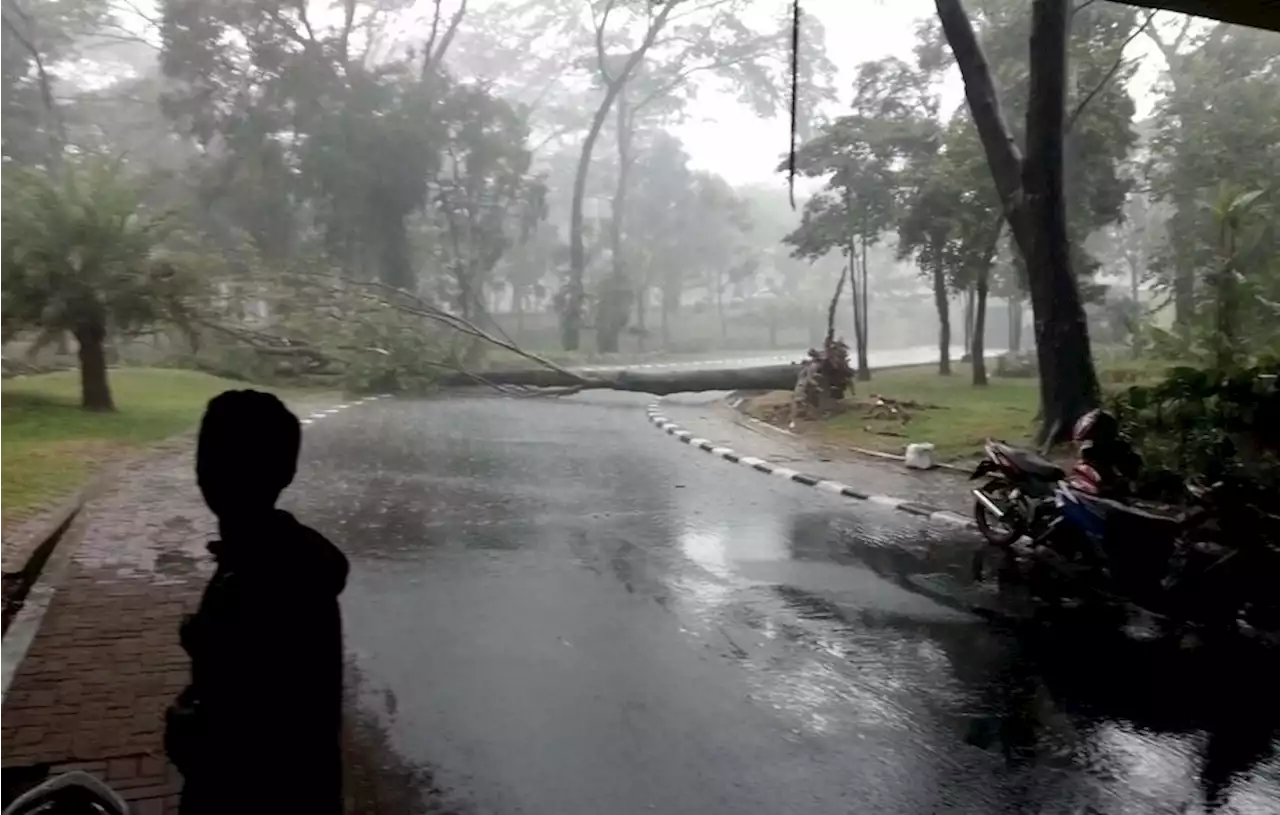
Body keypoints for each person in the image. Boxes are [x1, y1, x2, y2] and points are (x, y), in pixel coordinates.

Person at [165, 390, 349, 815]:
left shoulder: (255, 579)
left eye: (213, 458)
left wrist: (185, 728)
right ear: (287, 471)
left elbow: (249, 733)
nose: (209, 472)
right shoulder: (288, 560)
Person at [1071, 408, 1144, 498]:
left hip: (1115, 498)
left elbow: (1131, 479)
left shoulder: (1121, 450)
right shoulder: (1088, 450)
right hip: (1092, 493)